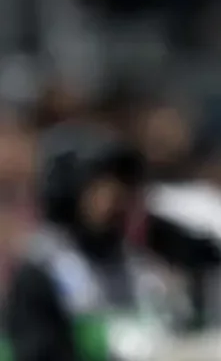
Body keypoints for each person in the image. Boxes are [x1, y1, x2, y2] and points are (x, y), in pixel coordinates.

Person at [1, 122, 169, 361]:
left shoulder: (141, 267)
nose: (115, 199)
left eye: (121, 186)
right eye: (99, 187)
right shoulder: (43, 269)